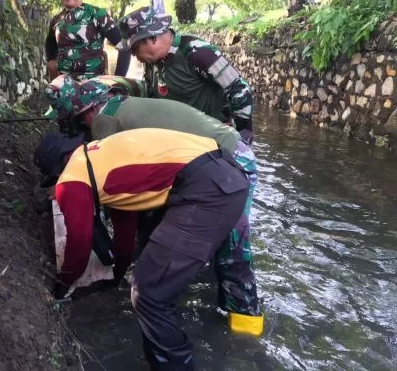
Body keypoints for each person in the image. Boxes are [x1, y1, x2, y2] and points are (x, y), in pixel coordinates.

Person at [34, 129, 262, 370]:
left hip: (206, 189)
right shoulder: (99, 159)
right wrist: (117, 275)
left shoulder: (71, 179)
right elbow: (125, 232)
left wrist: (62, 284)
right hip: (226, 171)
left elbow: (79, 242)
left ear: (59, 166)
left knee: (149, 294)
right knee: (152, 277)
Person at [41, 77, 262, 324]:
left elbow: (109, 193)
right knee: (174, 231)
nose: (84, 126)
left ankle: (245, 320)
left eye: (82, 119)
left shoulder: (105, 121)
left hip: (226, 158)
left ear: (91, 110)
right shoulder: (120, 103)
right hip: (213, 155)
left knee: (230, 247)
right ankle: (187, 287)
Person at [117, 6, 255, 144]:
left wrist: (241, 135)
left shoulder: (196, 52)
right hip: (177, 141)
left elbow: (239, 89)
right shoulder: (152, 62)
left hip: (211, 141)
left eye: (135, 49)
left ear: (153, 38)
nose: (134, 55)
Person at [45, 0, 131, 81]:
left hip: (93, 86)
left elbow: (124, 49)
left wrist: (116, 82)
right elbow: (50, 42)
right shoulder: (57, 19)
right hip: (65, 87)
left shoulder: (97, 15)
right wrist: (51, 60)